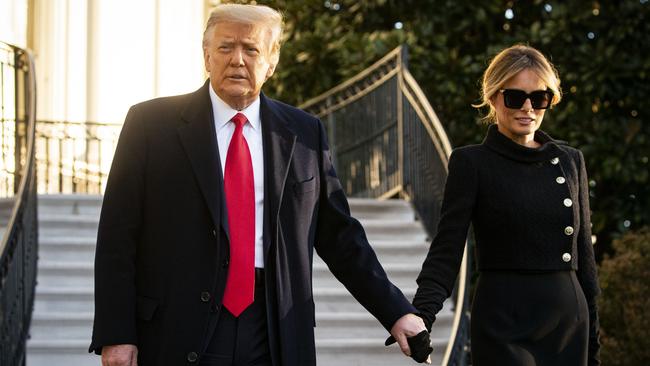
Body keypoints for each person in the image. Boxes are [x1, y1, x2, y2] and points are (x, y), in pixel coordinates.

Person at [89, 4, 429, 366]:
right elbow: (117, 236)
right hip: (178, 324)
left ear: (271, 61)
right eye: (225, 47)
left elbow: (341, 237)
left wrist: (395, 311)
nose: (237, 60)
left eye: (251, 49)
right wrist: (117, 335)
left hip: (275, 328)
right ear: (206, 55)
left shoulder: (304, 132)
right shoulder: (150, 125)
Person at [411, 44, 601, 365]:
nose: (528, 108)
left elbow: (586, 259)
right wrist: (422, 315)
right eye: (515, 97)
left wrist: (593, 343)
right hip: (503, 321)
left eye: (539, 98)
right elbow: (447, 249)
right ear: (493, 97)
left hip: (568, 324)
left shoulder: (570, 161)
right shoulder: (471, 163)